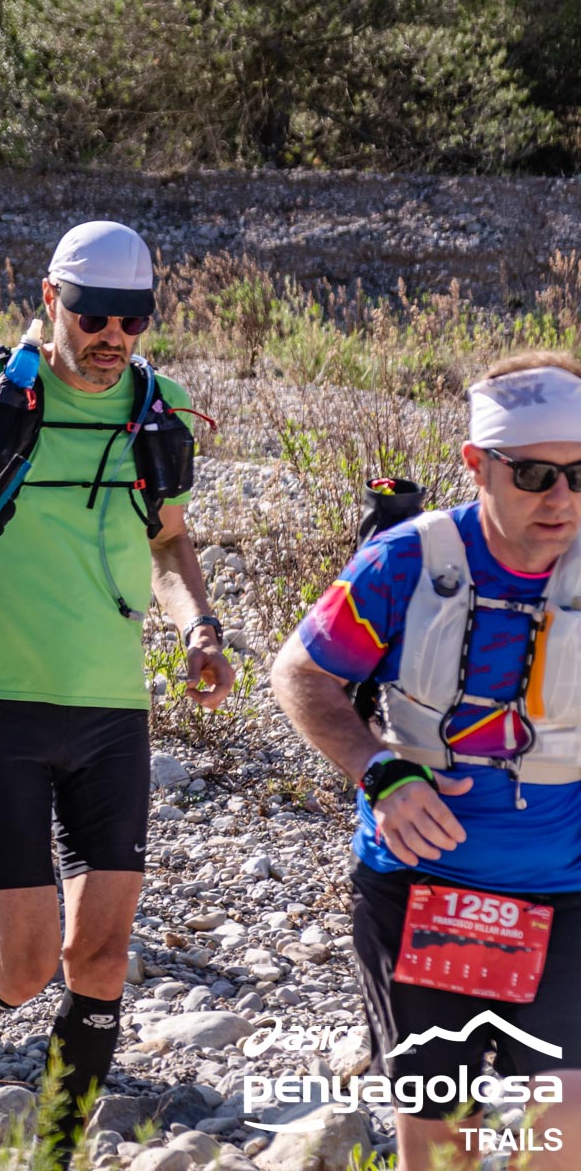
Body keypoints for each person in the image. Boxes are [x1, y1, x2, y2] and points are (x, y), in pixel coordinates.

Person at [0, 221, 233, 1159]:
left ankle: (57, 1149)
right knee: (25, 964)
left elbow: (168, 540)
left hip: (111, 707)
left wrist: (199, 626)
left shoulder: (158, 406)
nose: (113, 336)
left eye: (133, 320)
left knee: (101, 956)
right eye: (94, 316)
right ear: (50, 300)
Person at [271, 352, 581, 1171]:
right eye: (535, 475)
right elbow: (301, 674)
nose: (560, 498)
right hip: (420, 891)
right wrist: (379, 770)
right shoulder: (405, 561)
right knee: (447, 1140)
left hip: (566, 892)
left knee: (567, 1126)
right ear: (477, 464)